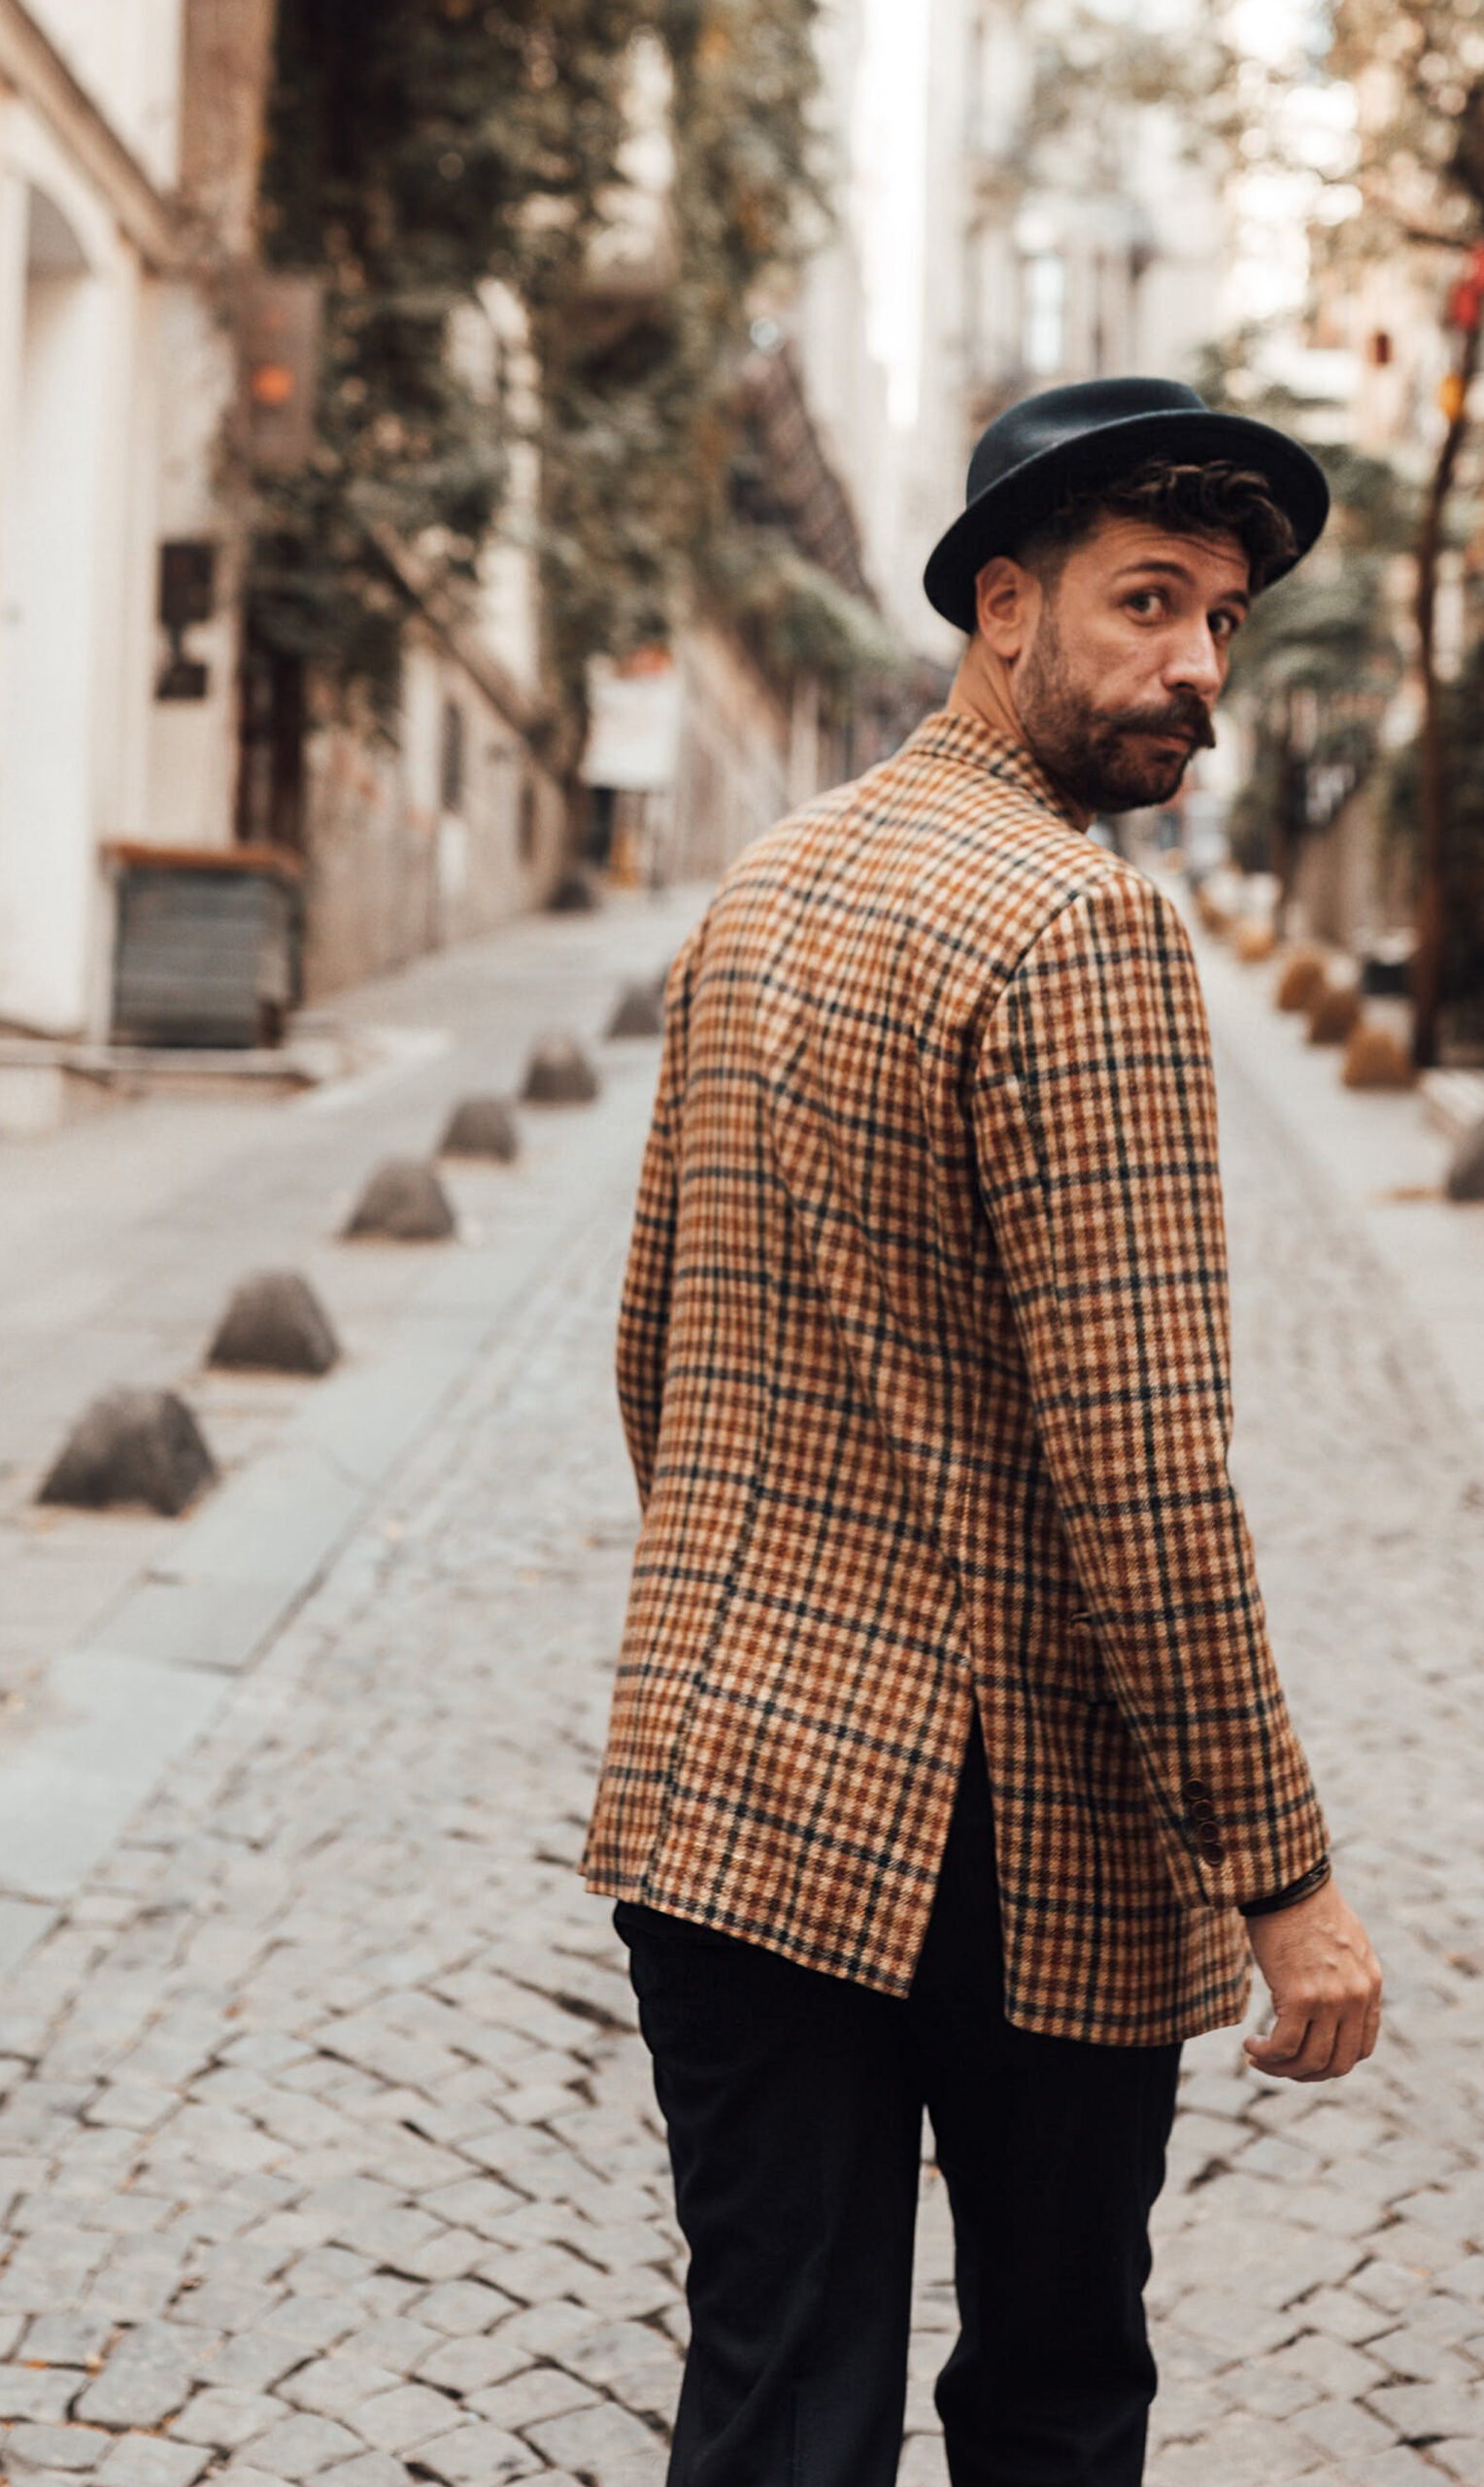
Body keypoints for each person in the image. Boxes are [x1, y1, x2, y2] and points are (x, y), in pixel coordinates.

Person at [585, 375, 1386, 2487]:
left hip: (718, 1789)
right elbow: (1146, 1482)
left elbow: (654, 1352)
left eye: (1222, 619)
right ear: (1002, 606)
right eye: (1147, 601)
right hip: (1004, 1838)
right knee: (1047, 2403)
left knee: (773, 2401)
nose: (1197, 667)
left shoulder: (760, 889)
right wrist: (1284, 1877)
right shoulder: (1076, 928)